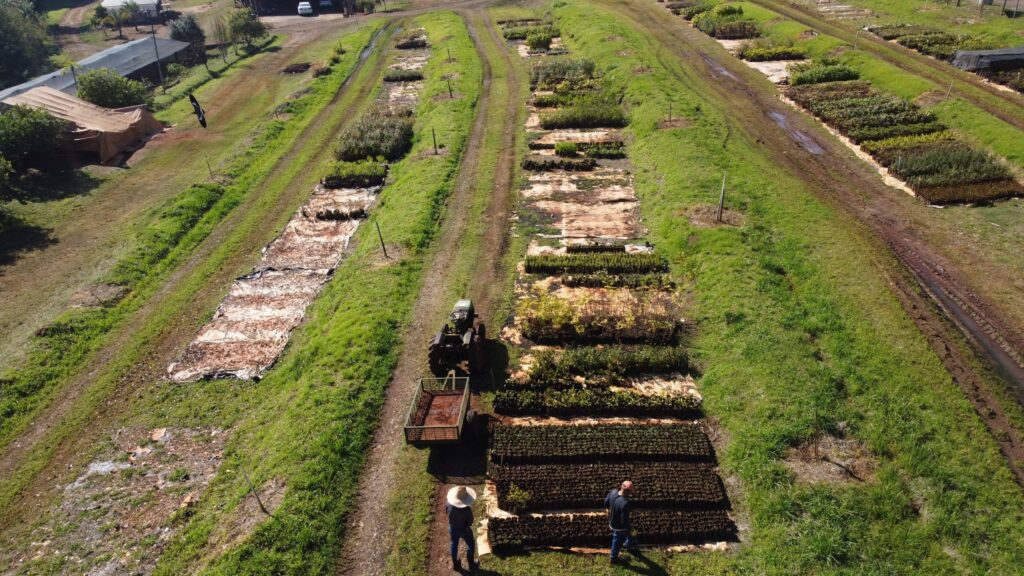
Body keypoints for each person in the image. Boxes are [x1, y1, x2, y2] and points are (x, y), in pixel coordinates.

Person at [446, 485, 478, 572]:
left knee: (454, 544)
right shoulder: (467, 510)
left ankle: (455, 564)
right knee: (471, 544)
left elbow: (446, 511)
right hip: (465, 530)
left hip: (453, 528)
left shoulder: (449, 504)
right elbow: (470, 522)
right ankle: (471, 564)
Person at [605, 480, 637, 564]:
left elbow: (606, 502)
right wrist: (629, 529)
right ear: (629, 492)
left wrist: (608, 509)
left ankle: (629, 545)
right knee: (618, 539)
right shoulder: (625, 503)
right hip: (618, 527)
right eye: (631, 492)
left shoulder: (613, 492)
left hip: (611, 520)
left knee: (628, 536)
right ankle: (613, 558)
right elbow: (624, 521)